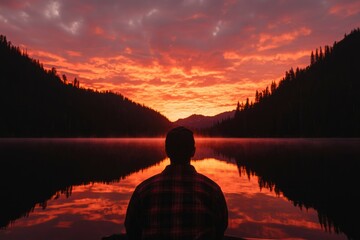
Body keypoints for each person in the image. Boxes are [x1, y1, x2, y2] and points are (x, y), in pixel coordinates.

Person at [125, 126, 228, 240]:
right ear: (193, 151)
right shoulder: (212, 190)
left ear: (167, 151)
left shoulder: (143, 190)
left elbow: (132, 230)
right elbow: (220, 229)